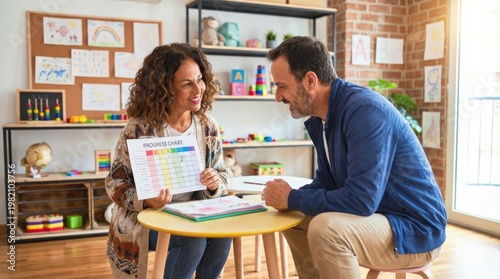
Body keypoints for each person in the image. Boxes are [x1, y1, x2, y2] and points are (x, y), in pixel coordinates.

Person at [262, 36, 447, 278]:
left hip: (415, 229)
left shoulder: (364, 111)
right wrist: (288, 199)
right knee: (295, 217)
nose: (278, 97)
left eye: (282, 86)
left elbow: (361, 200)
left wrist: (293, 197)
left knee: (325, 228)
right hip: (382, 216)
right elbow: (326, 183)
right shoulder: (326, 117)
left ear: (309, 80)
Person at [105, 43, 232, 279]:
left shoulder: (207, 126)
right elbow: (115, 183)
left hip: (193, 211)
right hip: (146, 218)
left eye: (200, 79)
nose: (198, 89)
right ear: (164, 88)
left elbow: (222, 173)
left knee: (222, 234)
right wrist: (146, 200)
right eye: (186, 84)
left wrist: (215, 183)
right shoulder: (139, 128)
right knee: (191, 241)